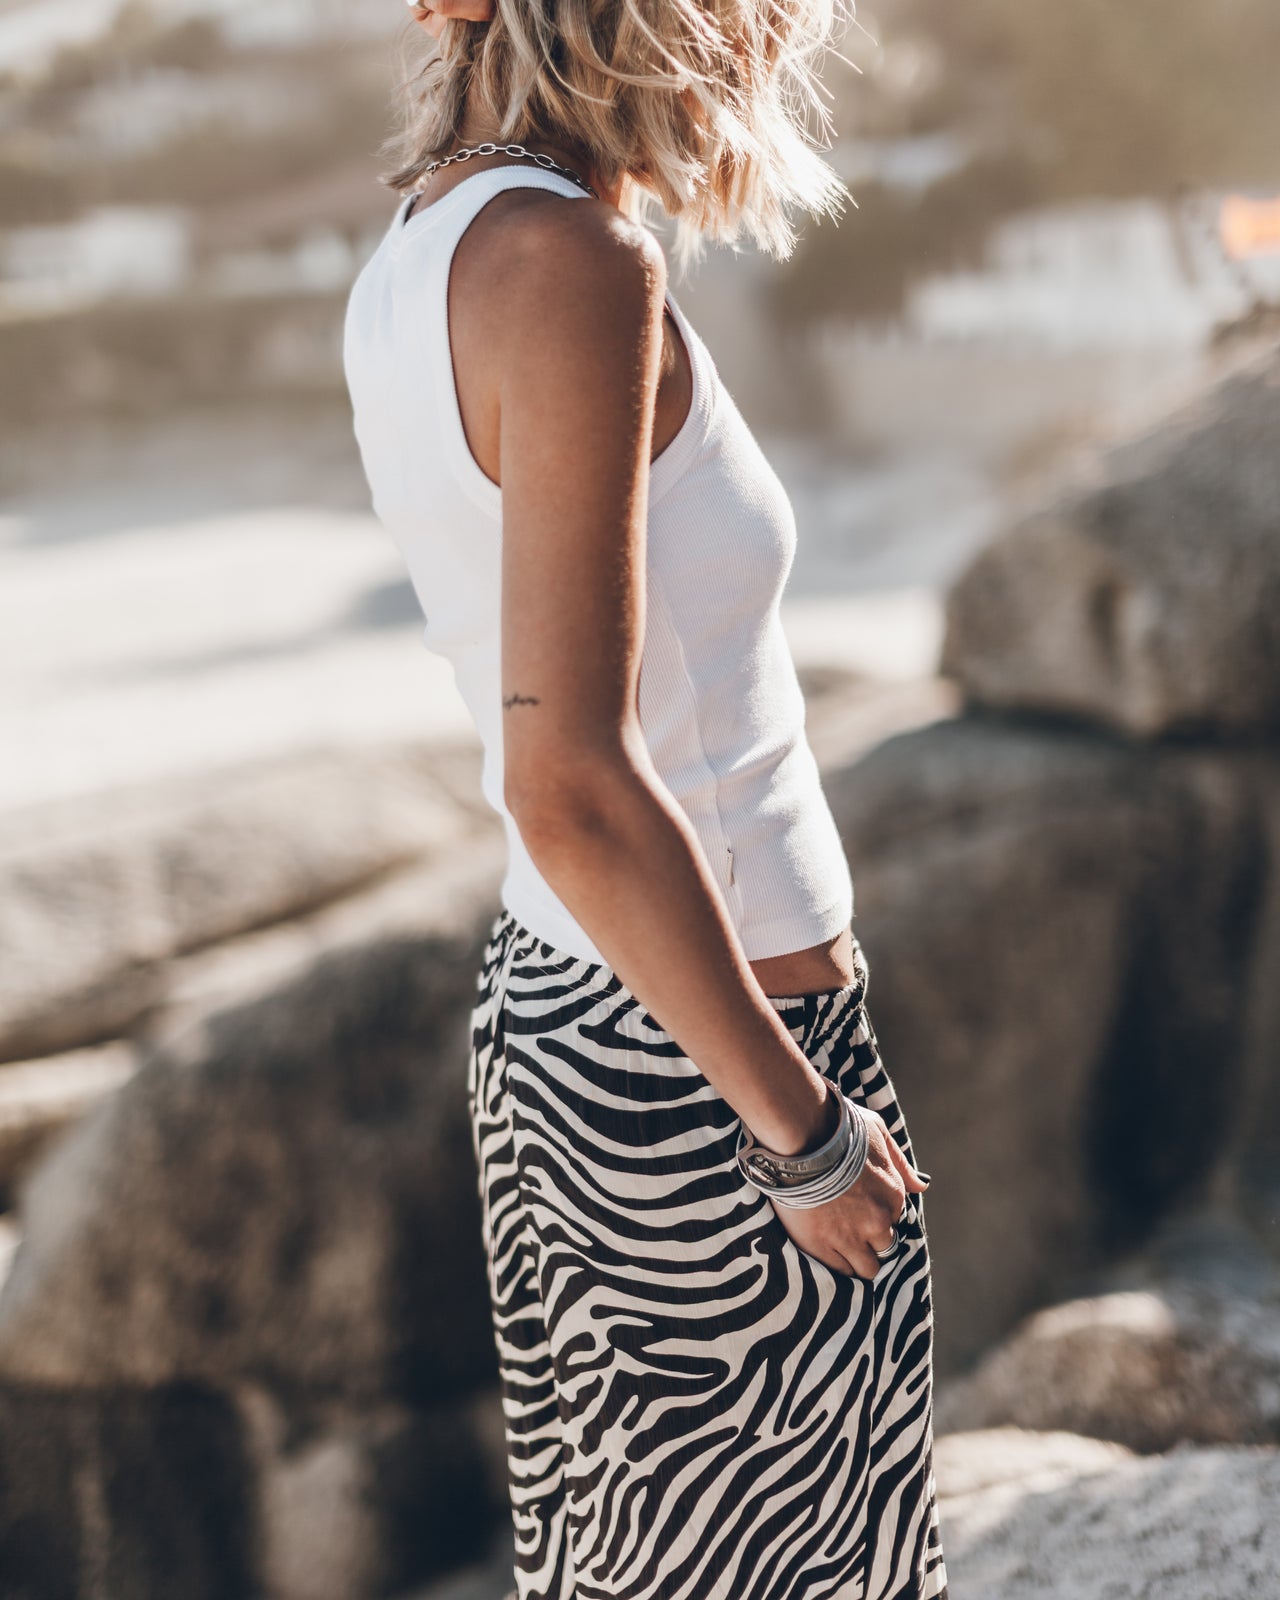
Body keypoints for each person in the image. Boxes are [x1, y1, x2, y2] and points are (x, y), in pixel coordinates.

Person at [343, 1, 949, 1595]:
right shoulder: (571, 271)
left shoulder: (415, 259)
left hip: (574, 1019)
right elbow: (571, 780)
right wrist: (799, 1125)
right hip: (702, 1048)